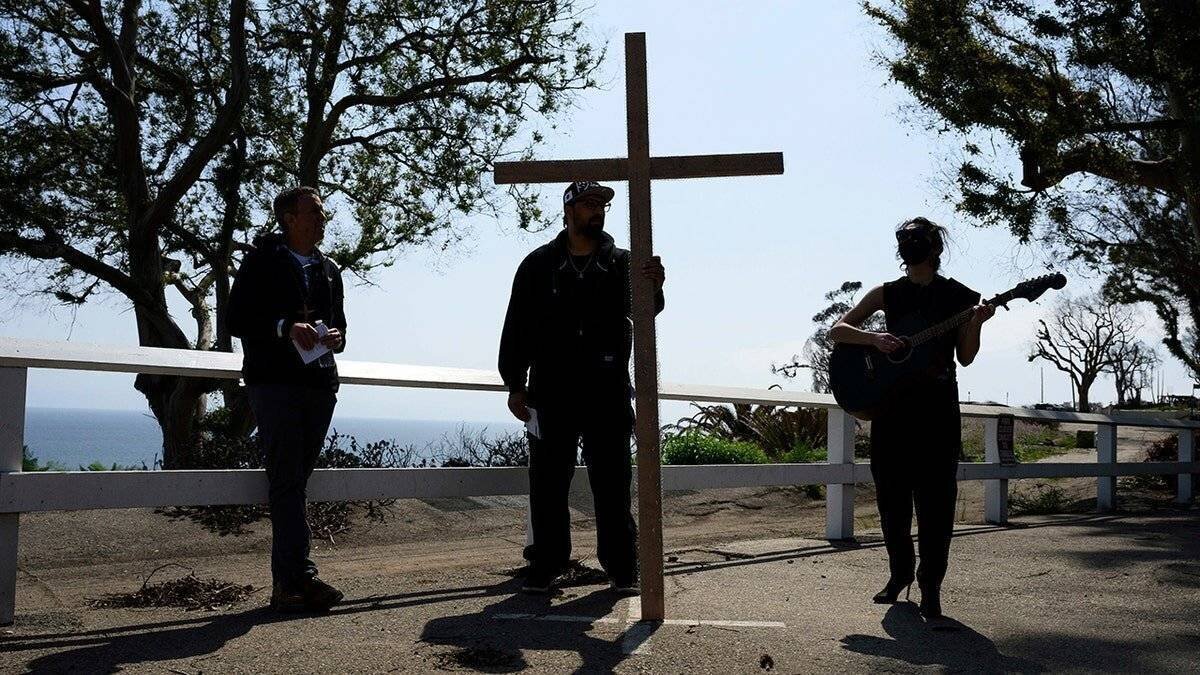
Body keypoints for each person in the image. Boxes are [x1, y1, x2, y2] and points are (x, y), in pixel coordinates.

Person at [498, 180, 666, 595]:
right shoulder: (537, 265)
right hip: (551, 390)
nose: (598, 210)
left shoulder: (623, 263)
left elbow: (645, 312)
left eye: (602, 204)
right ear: (569, 209)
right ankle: (547, 565)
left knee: (611, 482)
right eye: (589, 204)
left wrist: (655, 285)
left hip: (606, 389)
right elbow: (516, 326)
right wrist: (515, 384)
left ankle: (623, 568)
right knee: (548, 482)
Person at [828, 217, 994, 620]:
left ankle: (931, 586)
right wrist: (874, 339)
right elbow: (838, 330)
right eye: (904, 240)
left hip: (937, 411)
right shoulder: (887, 293)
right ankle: (899, 574)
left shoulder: (961, 296)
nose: (910, 246)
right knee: (892, 502)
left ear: (935, 247)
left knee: (937, 504)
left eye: (917, 240)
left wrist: (975, 323)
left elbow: (966, 356)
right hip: (892, 411)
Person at [227, 186, 348, 612]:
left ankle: (293, 582)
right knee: (287, 482)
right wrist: (283, 328)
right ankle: (296, 581)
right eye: (314, 211)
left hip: (319, 386)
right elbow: (235, 317)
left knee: (293, 483)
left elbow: (342, 330)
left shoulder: (329, 269)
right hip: (274, 384)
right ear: (289, 218)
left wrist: (335, 337)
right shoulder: (262, 261)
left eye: (323, 211)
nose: (323, 217)